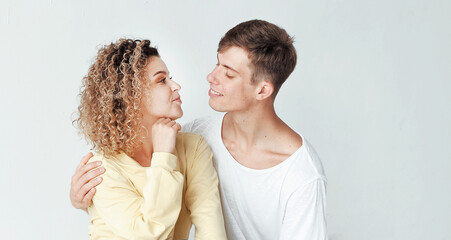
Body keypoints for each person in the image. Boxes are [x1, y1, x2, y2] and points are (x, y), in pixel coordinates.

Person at [71, 20, 327, 239]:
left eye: (228, 73)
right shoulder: (198, 134)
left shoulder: (301, 174)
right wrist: (86, 200)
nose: (211, 76)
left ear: (262, 90)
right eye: (217, 64)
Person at [73, 38, 226, 240]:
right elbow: (147, 235)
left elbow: (211, 228)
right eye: (162, 80)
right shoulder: (101, 169)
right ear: (131, 95)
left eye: (170, 78)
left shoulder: (193, 148)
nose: (176, 86)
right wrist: (163, 157)